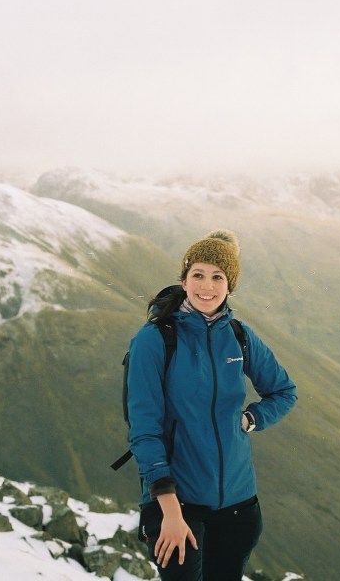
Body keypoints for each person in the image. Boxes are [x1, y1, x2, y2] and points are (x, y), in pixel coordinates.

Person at [127, 229, 298, 581]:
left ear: (229, 284)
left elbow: (284, 391)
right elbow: (144, 430)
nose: (207, 286)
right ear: (184, 280)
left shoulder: (239, 336)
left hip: (239, 505)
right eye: (198, 275)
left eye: (218, 276)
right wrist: (170, 512)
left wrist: (252, 419)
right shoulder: (156, 338)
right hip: (177, 504)